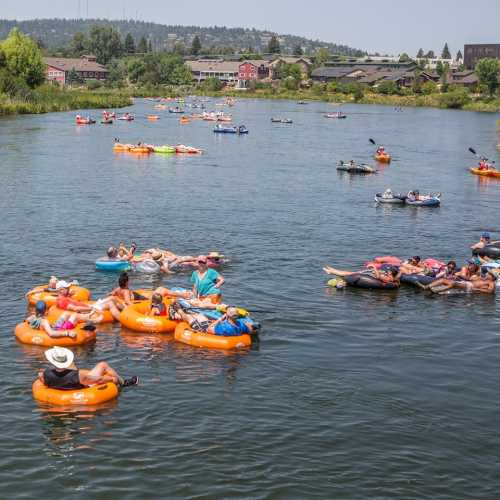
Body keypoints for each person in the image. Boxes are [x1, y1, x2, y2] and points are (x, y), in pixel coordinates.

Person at [39, 346, 138, 390]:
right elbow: (98, 380)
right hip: (80, 390)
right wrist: (112, 379)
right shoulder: (79, 375)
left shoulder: (45, 374)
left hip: (64, 387)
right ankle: (123, 383)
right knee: (103, 365)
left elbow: (42, 378)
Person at [157, 256, 225, 305]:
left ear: (206, 263)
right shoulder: (195, 273)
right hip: (202, 296)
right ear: (197, 262)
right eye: (200, 262)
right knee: (193, 299)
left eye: (203, 262)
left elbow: (222, 279)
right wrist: (194, 297)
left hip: (212, 294)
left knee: (202, 304)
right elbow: (195, 287)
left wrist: (217, 285)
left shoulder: (211, 272)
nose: (201, 264)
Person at [171, 305, 254, 336]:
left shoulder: (224, 328)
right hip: (214, 325)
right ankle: (183, 312)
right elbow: (250, 329)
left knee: (189, 318)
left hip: (205, 329)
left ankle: (178, 310)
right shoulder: (241, 324)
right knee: (200, 315)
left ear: (227, 315)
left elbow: (208, 329)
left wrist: (220, 319)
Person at [323, 264, 400, 285]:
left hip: (370, 276)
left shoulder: (388, 279)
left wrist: (374, 268)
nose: (387, 271)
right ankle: (332, 271)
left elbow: (377, 277)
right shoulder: (392, 277)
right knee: (349, 272)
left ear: (391, 273)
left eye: (388, 271)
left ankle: (332, 272)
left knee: (350, 273)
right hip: (370, 274)